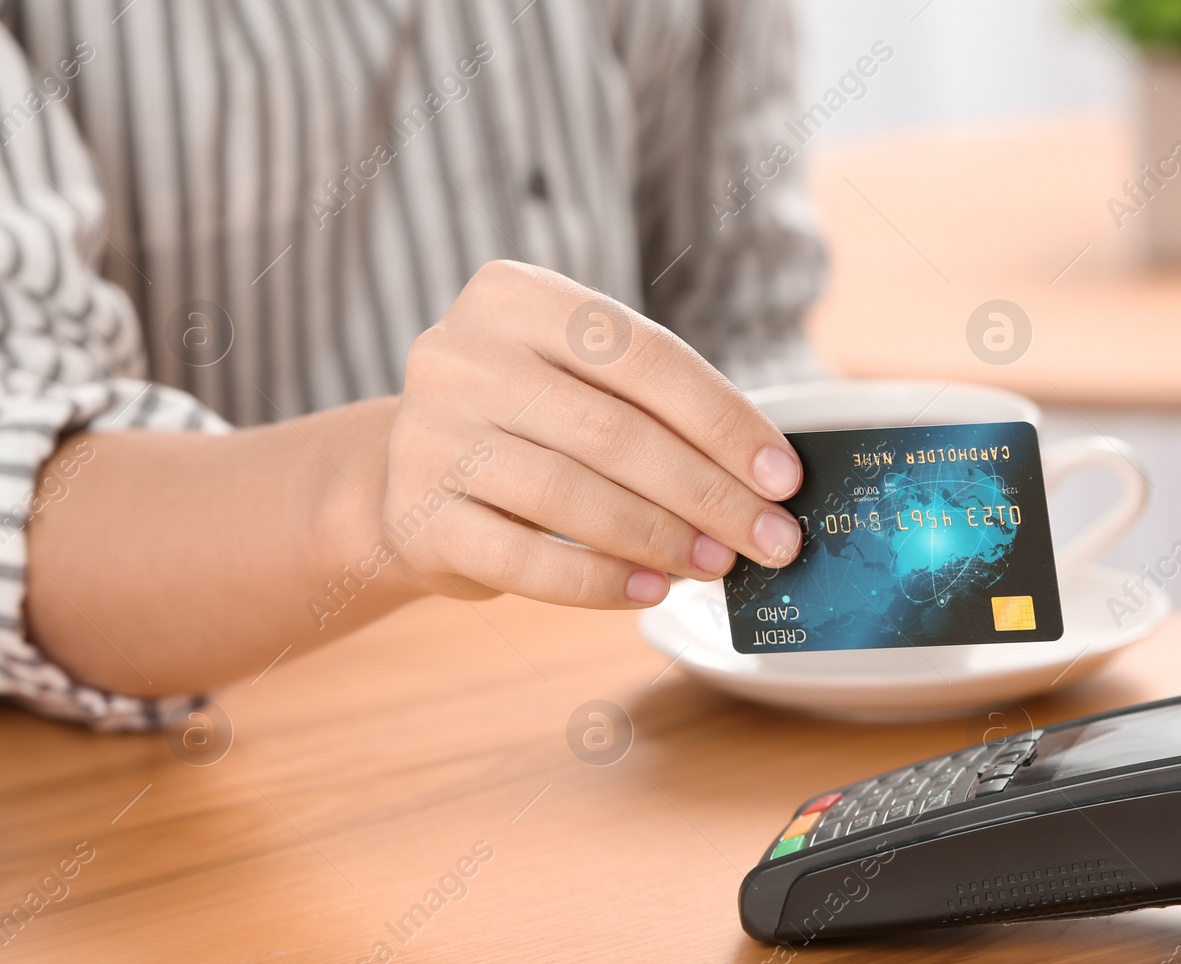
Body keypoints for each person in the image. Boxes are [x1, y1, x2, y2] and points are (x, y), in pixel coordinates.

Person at [0, 0, 825, 729]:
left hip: (635, 704)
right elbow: (24, 505)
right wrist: (380, 497)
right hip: (261, 740)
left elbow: (743, 305)